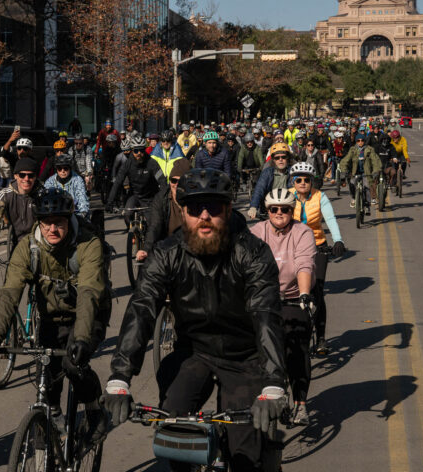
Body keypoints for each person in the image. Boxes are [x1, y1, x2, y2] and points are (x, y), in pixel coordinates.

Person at [104, 169, 287, 471]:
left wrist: (273, 385)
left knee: (245, 455)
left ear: (228, 210)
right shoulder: (166, 253)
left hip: (245, 357)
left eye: (214, 207)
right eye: (194, 208)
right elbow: (141, 307)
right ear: (183, 211)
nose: (204, 215)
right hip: (194, 352)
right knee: (173, 433)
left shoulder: (253, 253)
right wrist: (119, 378)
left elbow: (266, 316)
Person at [0, 188, 111, 438]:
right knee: (46, 375)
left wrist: (82, 338)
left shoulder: (88, 244)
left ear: (68, 220)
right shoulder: (28, 247)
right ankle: (52, 416)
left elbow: (88, 294)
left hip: (89, 314)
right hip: (51, 316)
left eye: (59, 223)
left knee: (73, 365)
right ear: (39, 222)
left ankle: (94, 409)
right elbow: (9, 294)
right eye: (47, 223)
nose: (53, 229)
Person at [250, 188, 315, 426]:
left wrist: (305, 296)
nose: (279, 213)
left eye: (285, 209)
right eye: (274, 209)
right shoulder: (256, 232)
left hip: (293, 295)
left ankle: (300, 403)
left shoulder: (303, 232)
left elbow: (304, 265)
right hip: (263, 298)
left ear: (292, 210)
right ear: (267, 211)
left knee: (297, 347)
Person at [289, 162, 345, 356]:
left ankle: (321, 338)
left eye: (306, 179)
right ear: (293, 181)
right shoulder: (287, 196)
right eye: (299, 179)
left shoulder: (320, 196)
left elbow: (330, 220)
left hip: (317, 247)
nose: (303, 183)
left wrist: (337, 240)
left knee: (318, 290)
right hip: (293, 248)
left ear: (311, 181)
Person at [0, 157, 42, 263]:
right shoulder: (5, 194)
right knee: (11, 278)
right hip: (17, 245)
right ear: (15, 176)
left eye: (31, 175)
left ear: (35, 177)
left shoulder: (42, 194)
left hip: (40, 245)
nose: (26, 179)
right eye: (22, 175)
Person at [138, 158, 191, 264]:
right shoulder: (161, 198)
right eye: (173, 180)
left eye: (180, 181)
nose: (176, 184)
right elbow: (155, 226)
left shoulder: (196, 199)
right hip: (168, 250)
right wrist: (146, 249)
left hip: (191, 251)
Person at [107, 134, 160, 227]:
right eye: (136, 151)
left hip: (149, 197)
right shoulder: (128, 164)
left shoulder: (152, 163)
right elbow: (118, 183)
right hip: (134, 195)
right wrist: (110, 202)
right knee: (127, 215)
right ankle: (133, 235)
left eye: (142, 150)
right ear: (132, 151)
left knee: (151, 224)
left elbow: (162, 180)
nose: (139, 153)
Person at [338, 133, 382, 213]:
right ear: (356, 142)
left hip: (366, 172)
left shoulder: (369, 149)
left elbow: (375, 161)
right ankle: (354, 198)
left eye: (362, 140)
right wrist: (343, 172)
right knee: (352, 183)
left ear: (364, 141)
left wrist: (375, 171)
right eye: (358, 141)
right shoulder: (352, 149)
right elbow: (345, 161)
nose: (360, 142)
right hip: (355, 172)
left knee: (367, 186)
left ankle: (367, 205)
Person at [247, 143, 293, 219]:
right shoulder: (267, 172)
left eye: (283, 157)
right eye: (277, 158)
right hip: (270, 210)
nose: (280, 160)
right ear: (273, 160)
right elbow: (259, 189)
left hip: (288, 210)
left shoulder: (293, 172)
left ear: (288, 158)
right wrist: (253, 207)